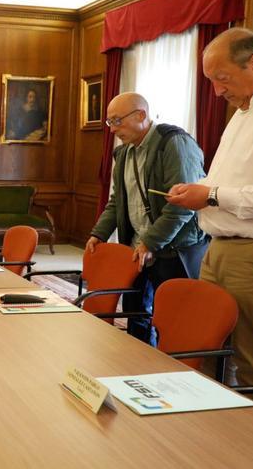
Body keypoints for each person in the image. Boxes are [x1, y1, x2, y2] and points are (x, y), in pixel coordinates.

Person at [167, 28, 253, 416]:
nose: (216, 92)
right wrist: (200, 188)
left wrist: (209, 195)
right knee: (203, 349)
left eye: (221, 78)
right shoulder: (248, 108)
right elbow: (231, 181)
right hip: (222, 247)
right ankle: (210, 442)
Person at [87, 92, 207, 346]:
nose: (113, 130)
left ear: (141, 115)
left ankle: (170, 374)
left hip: (174, 249)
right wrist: (98, 233)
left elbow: (183, 206)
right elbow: (117, 200)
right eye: (110, 123)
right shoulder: (123, 154)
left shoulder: (173, 143)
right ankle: (137, 367)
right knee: (135, 313)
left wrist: (151, 243)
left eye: (117, 121)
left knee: (172, 318)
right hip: (137, 247)